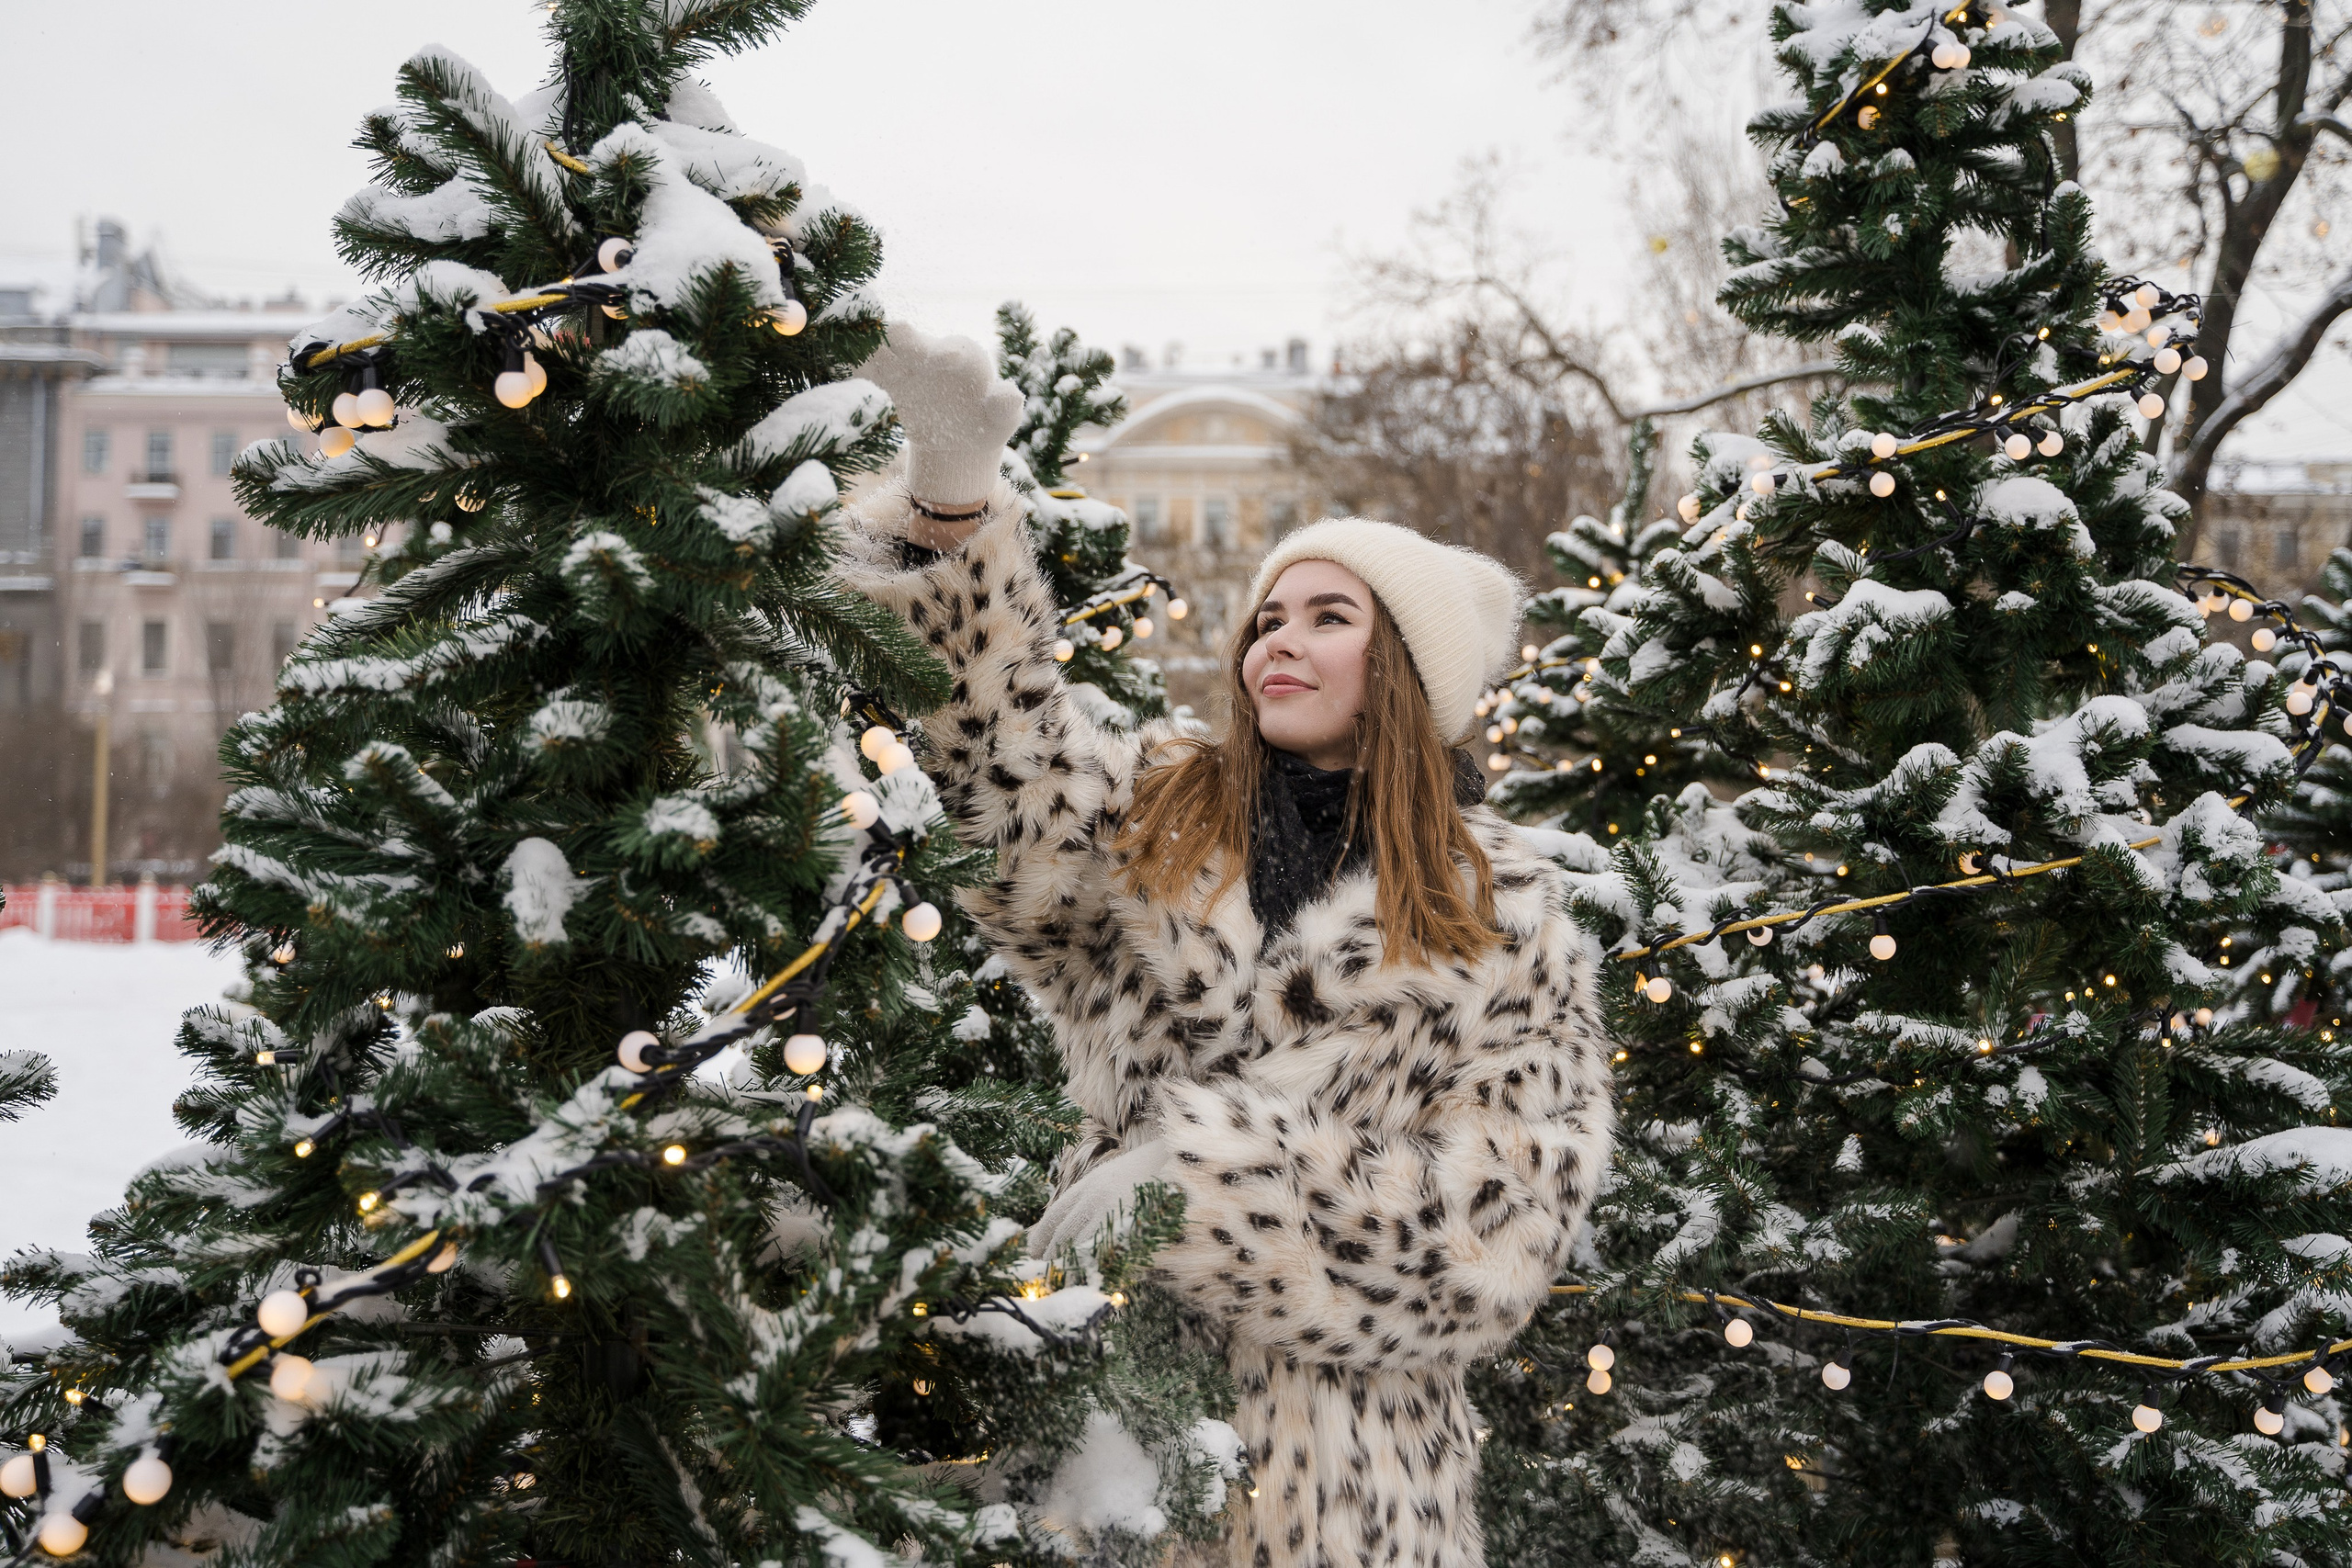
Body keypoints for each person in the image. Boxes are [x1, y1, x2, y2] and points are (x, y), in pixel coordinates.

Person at [838, 322, 1614, 1568]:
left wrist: (1203, 1183)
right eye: (1264, 619)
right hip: (1119, 1472)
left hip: (1356, 1508)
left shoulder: (1507, 921)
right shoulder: (1157, 823)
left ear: (1405, 661)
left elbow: (1495, 1245)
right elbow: (995, 763)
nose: (1275, 640)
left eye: (1327, 616)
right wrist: (951, 507)